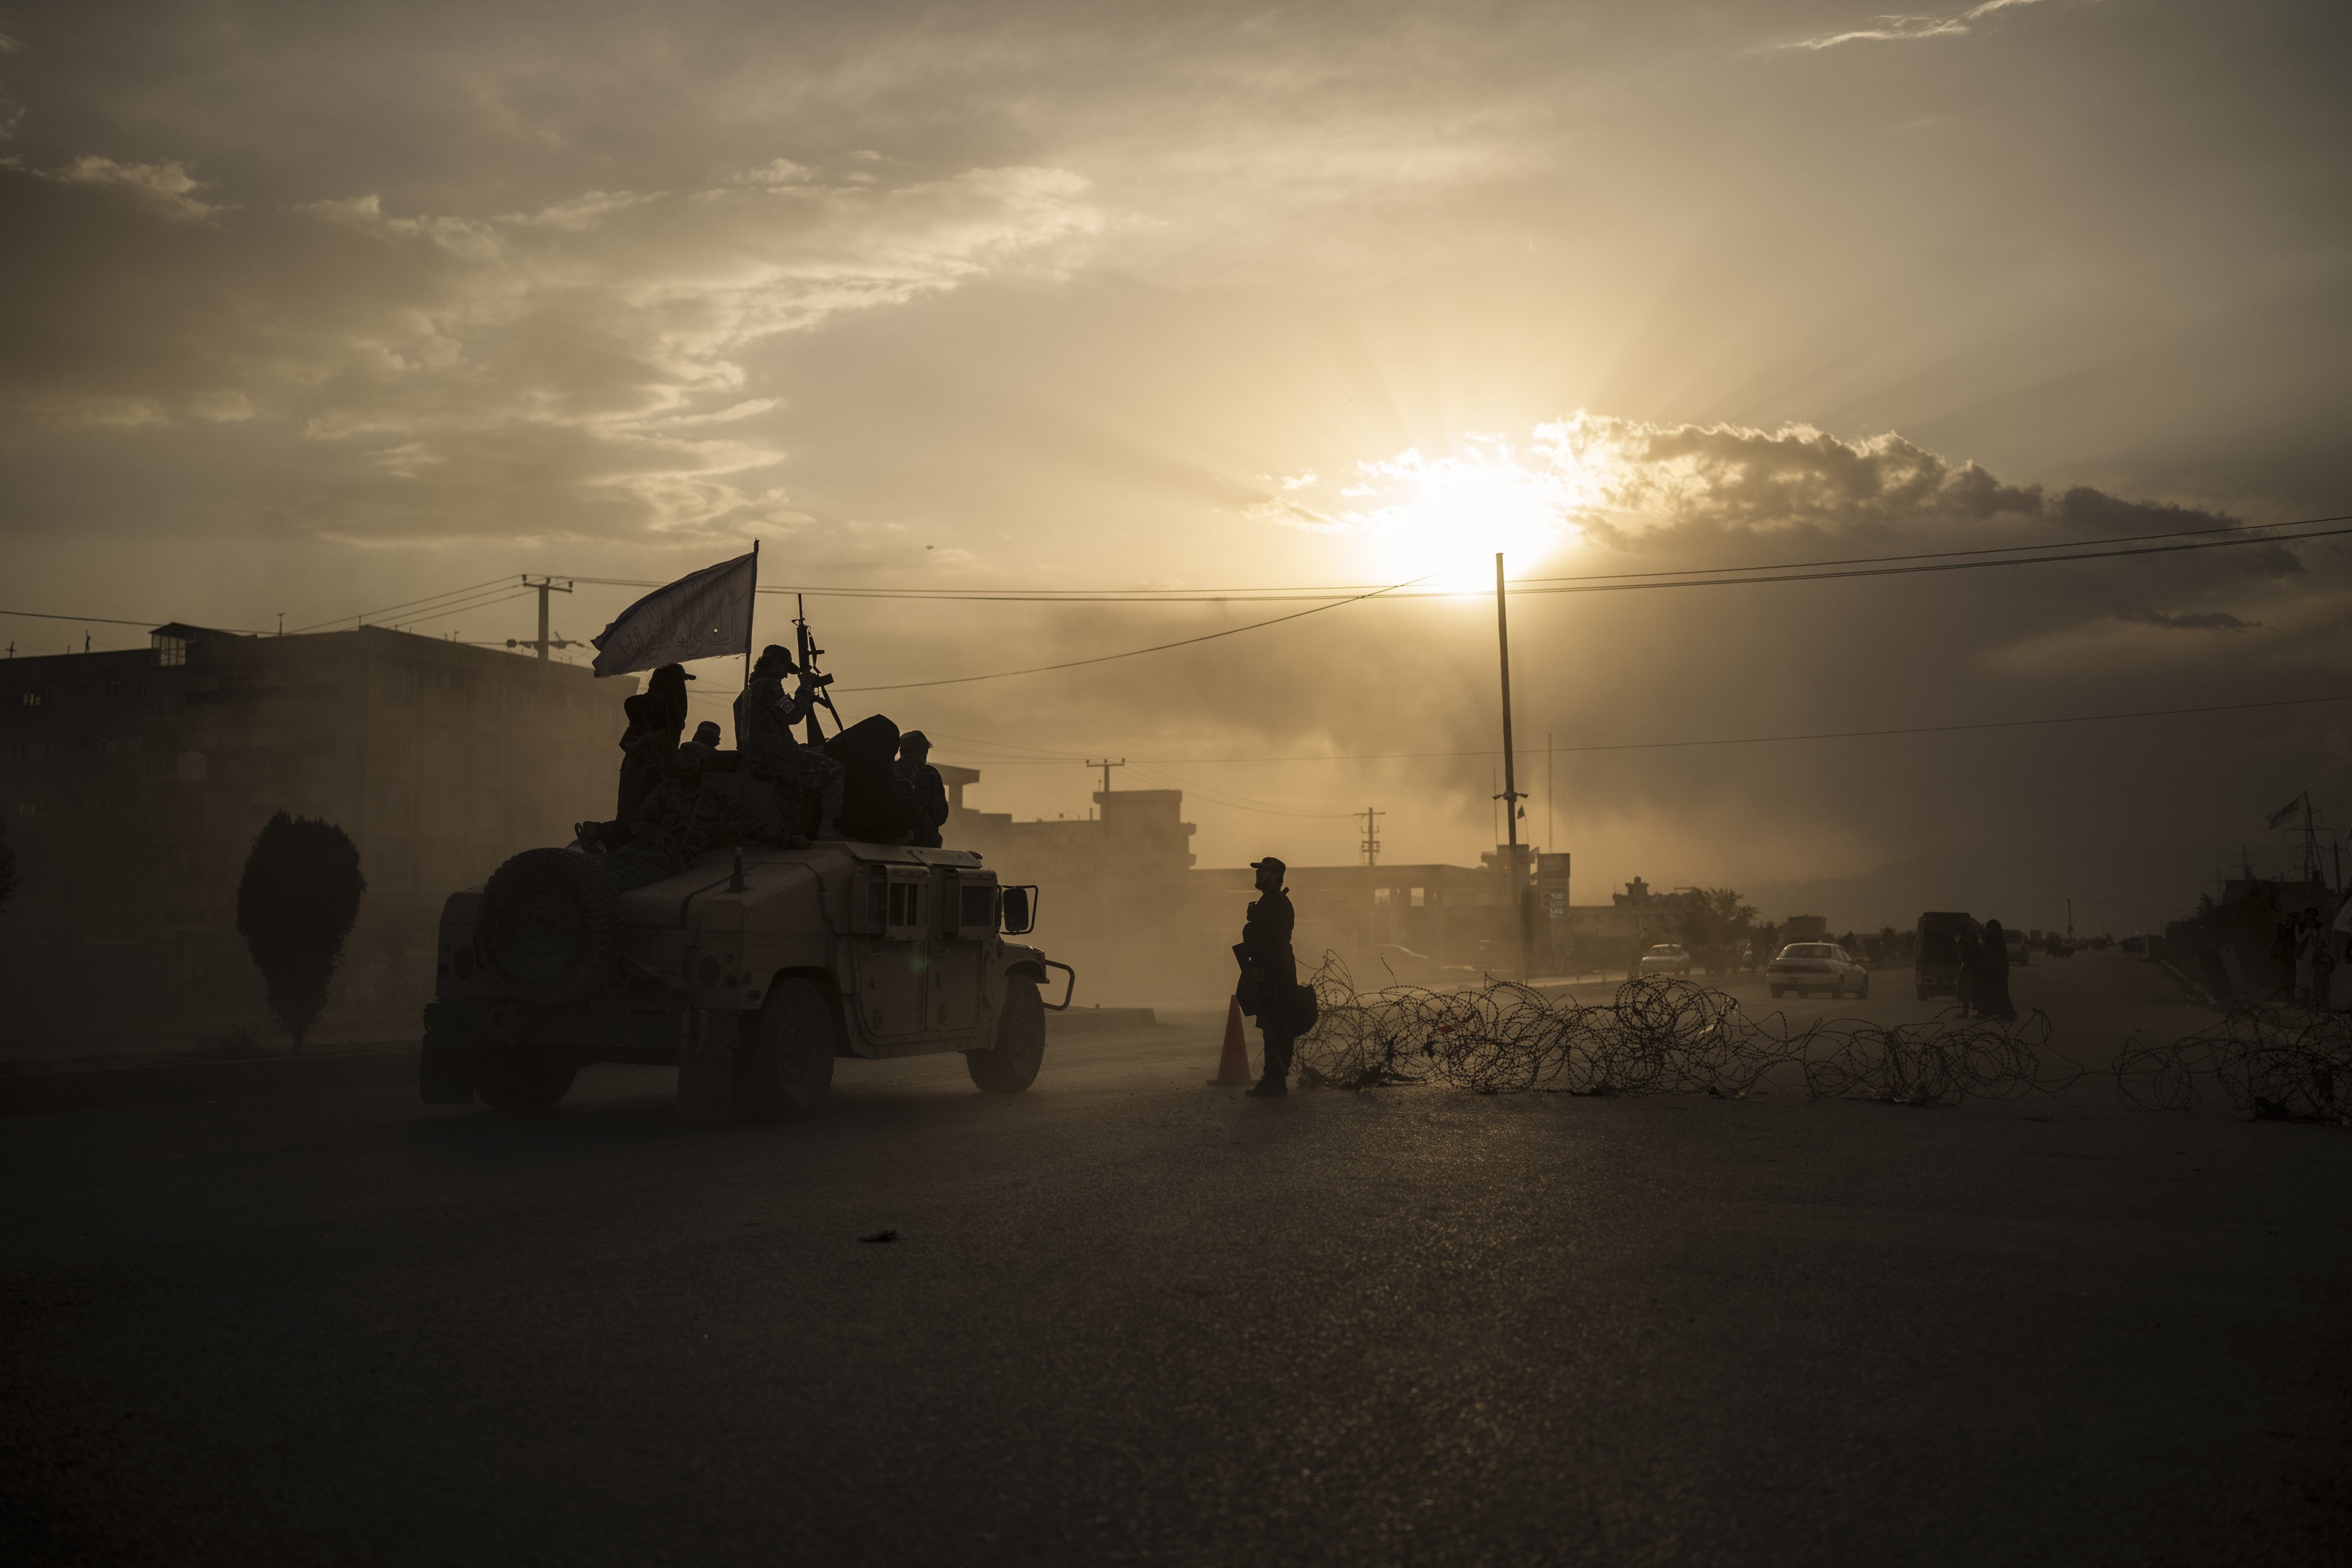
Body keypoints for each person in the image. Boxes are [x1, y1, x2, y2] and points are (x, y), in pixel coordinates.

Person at [604, 740, 793, 891]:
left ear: (703, 766)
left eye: (690, 767)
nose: (686, 771)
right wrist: (655, 835)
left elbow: (750, 824)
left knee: (612, 883)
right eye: (683, 767)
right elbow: (640, 821)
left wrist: (788, 840)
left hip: (673, 857)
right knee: (601, 869)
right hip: (645, 847)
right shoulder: (666, 790)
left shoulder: (715, 798)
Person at [733, 644, 844, 839]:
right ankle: (827, 828)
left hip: (755, 761)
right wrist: (806, 687)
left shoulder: (746, 694)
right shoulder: (769, 685)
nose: (785, 676)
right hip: (779, 759)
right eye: (785, 669)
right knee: (834, 770)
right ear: (776, 663)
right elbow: (794, 715)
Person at [1236, 856, 1300, 1097]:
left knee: (1275, 1024)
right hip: (1274, 968)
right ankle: (1275, 1078)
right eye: (1258, 871)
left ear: (1275, 875)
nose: (1258, 874)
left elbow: (1272, 940)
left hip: (1274, 972)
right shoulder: (1270, 901)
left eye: (1263, 871)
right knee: (1272, 1024)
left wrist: (1261, 968)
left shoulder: (1275, 902)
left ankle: (1275, 1079)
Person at [896, 731, 949, 848]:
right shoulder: (929, 774)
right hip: (924, 841)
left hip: (892, 838)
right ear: (923, 750)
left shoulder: (890, 770)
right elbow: (941, 816)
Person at [1976, 919, 2017, 1021]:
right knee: (1995, 993)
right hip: (1997, 971)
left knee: (1998, 994)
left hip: (1994, 971)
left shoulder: (1992, 938)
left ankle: (2009, 1013)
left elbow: (1989, 954)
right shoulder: (1997, 939)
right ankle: (1992, 1012)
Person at [2296, 907, 2322, 1006]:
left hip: (2314, 956)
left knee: (2312, 979)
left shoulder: (2320, 927)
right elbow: (2299, 939)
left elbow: (2319, 941)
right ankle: (2300, 1001)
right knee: (2301, 979)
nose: (2311, 917)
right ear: (2305, 916)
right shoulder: (2299, 926)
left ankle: (2312, 1002)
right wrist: (2308, 929)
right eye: (2309, 915)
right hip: (2302, 957)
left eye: (2313, 916)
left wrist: (2314, 930)